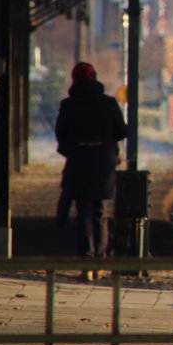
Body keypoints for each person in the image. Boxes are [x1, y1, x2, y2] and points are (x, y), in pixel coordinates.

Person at [55, 62, 127, 270]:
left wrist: (73, 150)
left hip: (79, 158)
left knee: (84, 209)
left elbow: (61, 134)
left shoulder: (68, 104)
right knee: (101, 210)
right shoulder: (109, 103)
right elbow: (122, 132)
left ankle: (86, 255)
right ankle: (101, 256)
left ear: (74, 80)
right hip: (104, 160)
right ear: (95, 77)